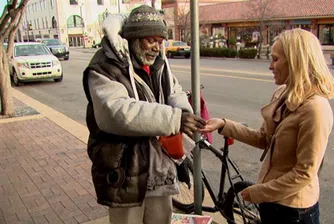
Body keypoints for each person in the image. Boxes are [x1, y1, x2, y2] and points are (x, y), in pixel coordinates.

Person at [82, 5, 205, 224]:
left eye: (160, 41)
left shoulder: (159, 64)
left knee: (161, 219)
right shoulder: (104, 66)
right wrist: (175, 119)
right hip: (125, 170)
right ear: (133, 38)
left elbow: (173, 91)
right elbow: (117, 113)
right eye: (151, 40)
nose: (157, 47)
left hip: (158, 170)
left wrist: (185, 114)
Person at [200, 28, 334, 224]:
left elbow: (304, 173)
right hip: (270, 203)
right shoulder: (283, 94)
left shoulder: (315, 109)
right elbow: (264, 138)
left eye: (275, 59)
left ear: (296, 61)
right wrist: (224, 124)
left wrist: (259, 192)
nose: (270, 66)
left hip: (293, 211)